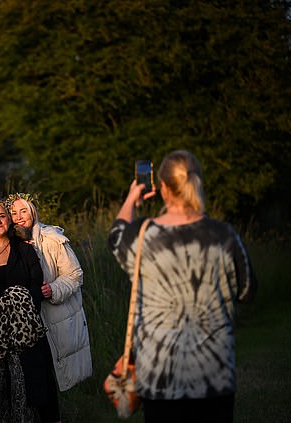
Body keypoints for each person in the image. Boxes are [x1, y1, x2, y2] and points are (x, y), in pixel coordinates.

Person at [108, 150, 256, 423]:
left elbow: (115, 237)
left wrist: (132, 198)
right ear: (197, 182)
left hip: (159, 376)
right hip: (215, 374)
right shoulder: (224, 234)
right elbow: (246, 291)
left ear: (163, 187)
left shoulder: (143, 235)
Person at [0, 199, 56, 422]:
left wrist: (16, 301)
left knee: (21, 380)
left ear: (9, 221)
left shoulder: (24, 250)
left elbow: (37, 287)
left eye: (2, 216)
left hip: (18, 324)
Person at [9, 194, 93, 398]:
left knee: (52, 369)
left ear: (33, 213)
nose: (19, 217)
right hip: (26, 318)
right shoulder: (10, 241)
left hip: (53, 314)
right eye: (13, 213)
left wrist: (54, 289)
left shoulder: (52, 239)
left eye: (23, 211)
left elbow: (74, 275)